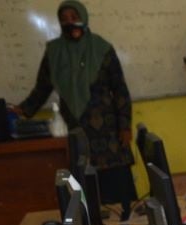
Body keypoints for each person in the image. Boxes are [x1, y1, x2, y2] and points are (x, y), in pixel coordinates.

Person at [14, 1, 136, 206]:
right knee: (85, 191)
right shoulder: (54, 52)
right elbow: (42, 88)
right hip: (76, 129)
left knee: (118, 194)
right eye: (64, 19)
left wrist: (125, 126)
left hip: (109, 134)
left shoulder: (102, 48)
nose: (69, 22)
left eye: (74, 17)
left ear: (83, 18)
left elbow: (120, 90)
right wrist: (21, 111)